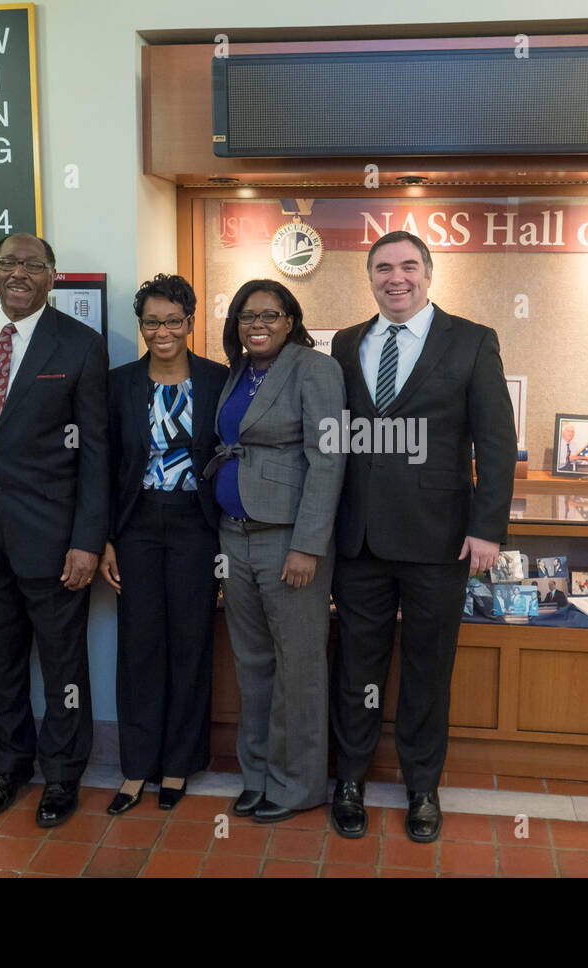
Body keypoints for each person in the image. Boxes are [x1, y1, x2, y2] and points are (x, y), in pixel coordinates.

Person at [329, 231, 516, 843]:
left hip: (441, 543)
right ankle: (350, 780)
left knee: (429, 670)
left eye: (409, 266)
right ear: (371, 278)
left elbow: (494, 445)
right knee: (357, 665)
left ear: (429, 274)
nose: (396, 278)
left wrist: (487, 529)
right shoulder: (347, 341)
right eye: (383, 268)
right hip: (359, 541)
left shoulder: (472, 341)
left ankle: (422, 787)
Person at [0, 233, 108, 828]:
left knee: (65, 664)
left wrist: (87, 539)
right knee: (2, 661)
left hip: (54, 541)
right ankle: (8, 767)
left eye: (32, 265)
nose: (19, 273)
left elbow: (96, 452)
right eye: (7, 263)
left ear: (52, 276)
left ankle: (63, 775)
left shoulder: (81, 345)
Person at [206, 279, 345, 824]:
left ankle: (298, 786)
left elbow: (328, 458)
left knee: (300, 668)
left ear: (291, 319)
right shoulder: (239, 370)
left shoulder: (316, 369)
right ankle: (258, 775)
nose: (256, 324)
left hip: (289, 542)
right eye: (245, 315)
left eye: (268, 314)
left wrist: (308, 545)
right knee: (253, 664)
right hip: (233, 536)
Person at [97, 274, 228, 815]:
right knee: (139, 646)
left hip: (198, 528)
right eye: (152, 321)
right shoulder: (119, 383)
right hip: (137, 528)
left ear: (190, 323)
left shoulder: (219, 381)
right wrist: (103, 538)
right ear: (142, 325)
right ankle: (136, 768)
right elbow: (103, 466)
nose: (162, 331)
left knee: (192, 643)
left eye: (173, 320)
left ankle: (177, 765)